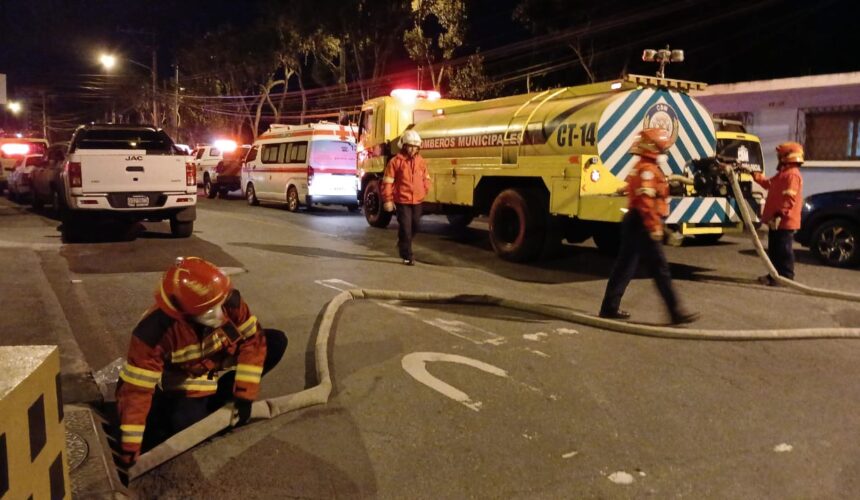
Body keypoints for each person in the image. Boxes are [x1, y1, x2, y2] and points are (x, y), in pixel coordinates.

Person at [115, 256, 287, 466]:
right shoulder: (153, 333)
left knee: (275, 342)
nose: (219, 315)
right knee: (185, 428)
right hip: (187, 380)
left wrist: (244, 395)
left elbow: (253, 341)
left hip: (218, 360)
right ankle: (199, 408)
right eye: (208, 311)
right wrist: (130, 446)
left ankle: (227, 395)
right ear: (183, 315)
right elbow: (136, 391)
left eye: (219, 305)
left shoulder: (226, 301)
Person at [599, 128, 699, 325]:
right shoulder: (647, 169)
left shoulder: (644, 167)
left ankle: (609, 308)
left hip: (637, 221)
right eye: (663, 150)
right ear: (653, 149)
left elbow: (633, 187)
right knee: (659, 269)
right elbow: (646, 201)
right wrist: (654, 227)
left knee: (625, 265)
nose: (665, 154)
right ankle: (675, 312)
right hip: (642, 222)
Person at [751, 142, 804, 285]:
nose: (778, 158)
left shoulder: (792, 175)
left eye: (779, 155)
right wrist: (754, 175)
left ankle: (785, 277)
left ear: (787, 156)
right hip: (777, 220)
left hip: (784, 221)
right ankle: (774, 275)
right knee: (775, 250)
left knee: (783, 251)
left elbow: (789, 198)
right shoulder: (784, 173)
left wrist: (780, 215)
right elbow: (769, 184)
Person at [382, 128, 431, 265]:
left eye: (415, 147)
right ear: (404, 146)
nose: (413, 149)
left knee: (415, 225)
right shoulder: (395, 162)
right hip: (402, 201)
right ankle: (407, 255)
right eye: (410, 146)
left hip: (417, 201)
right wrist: (388, 200)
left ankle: (402, 242)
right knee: (406, 228)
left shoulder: (421, 161)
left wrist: (424, 190)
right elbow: (387, 182)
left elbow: (426, 178)